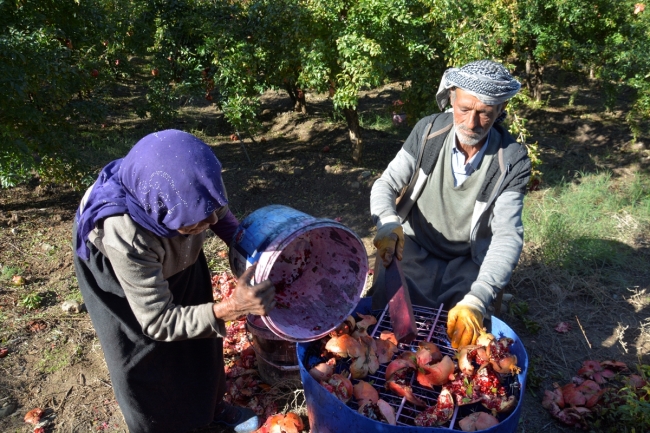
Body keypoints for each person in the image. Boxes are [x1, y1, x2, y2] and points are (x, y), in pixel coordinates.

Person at [72, 130, 276, 433]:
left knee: (201, 338)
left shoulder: (190, 186)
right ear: (161, 214)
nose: (212, 224)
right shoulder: (124, 234)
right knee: (145, 359)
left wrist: (260, 253)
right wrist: (230, 308)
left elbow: (221, 218)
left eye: (211, 211)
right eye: (198, 220)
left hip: (174, 249)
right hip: (120, 274)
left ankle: (211, 410)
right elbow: (157, 321)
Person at [369, 60, 531, 349]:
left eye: (485, 114)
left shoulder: (512, 160)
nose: (471, 124)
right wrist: (388, 221)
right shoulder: (429, 132)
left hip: (467, 260)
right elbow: (387, 184)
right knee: (389, 318)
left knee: (464, 337)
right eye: (464, 109)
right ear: (451, 98)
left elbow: (507, 235)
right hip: (415, 247)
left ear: (501, 110)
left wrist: (478, 297)